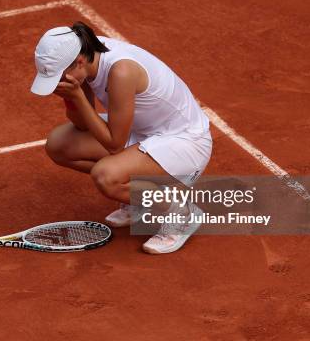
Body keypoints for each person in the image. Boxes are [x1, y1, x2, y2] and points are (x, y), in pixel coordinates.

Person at [30, 22, 212, 254]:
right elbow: (81, 124)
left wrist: (77, 94)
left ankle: (182, 212)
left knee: (107, 177)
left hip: (184, 142)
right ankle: (139, 196)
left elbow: (115, 144)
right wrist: (73, 97)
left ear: (78, 62)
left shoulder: (121, 72)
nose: (56, 82)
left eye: (58, 76)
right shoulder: (87, 55)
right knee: (59, 145)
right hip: (142, 130)